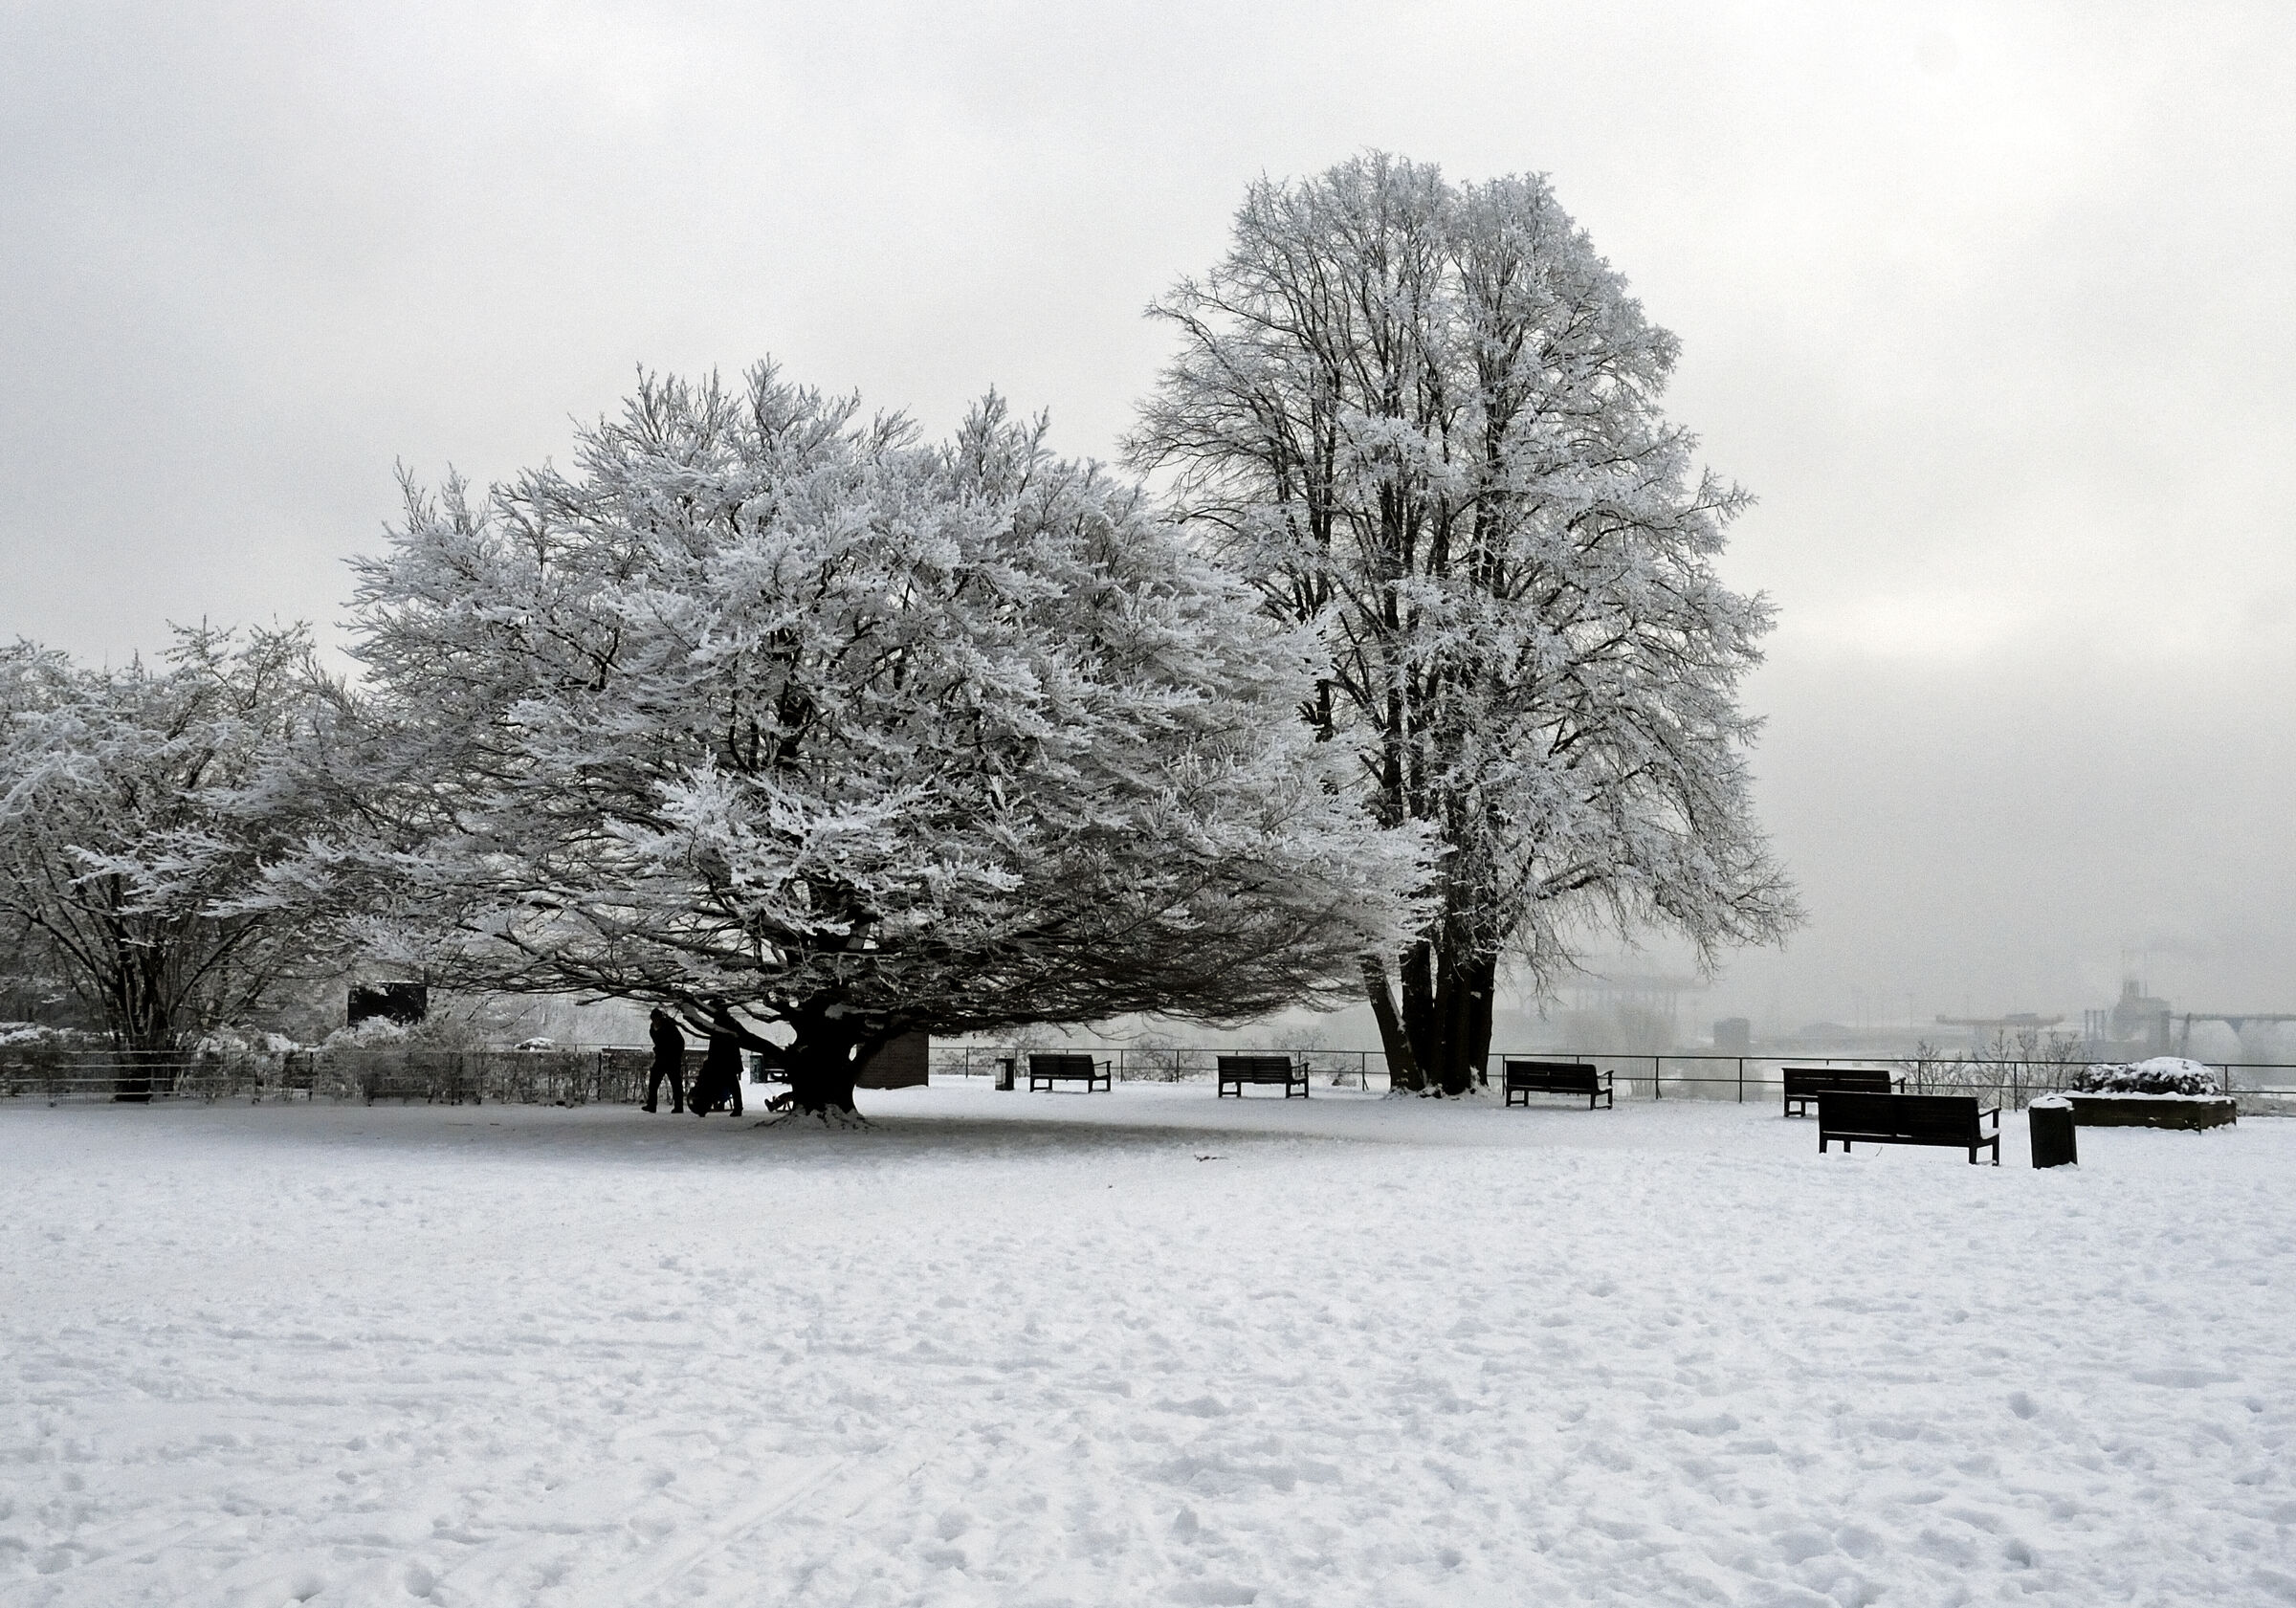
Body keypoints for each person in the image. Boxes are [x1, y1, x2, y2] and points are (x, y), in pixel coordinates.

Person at [691, 1032, 745, 1117]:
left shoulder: (717, 1032)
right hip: (728, 1063)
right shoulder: (729, 1033)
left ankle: (705, 1107)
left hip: (720, 1063)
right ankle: (736, 1107)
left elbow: (713, 1050)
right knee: (733, 1085)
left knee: (714, 1085)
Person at [644, 1008, 685, 1113]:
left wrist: (676, 1055)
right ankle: (652, 1105)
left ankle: (679, 1106)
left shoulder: (670, 1027)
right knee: (653, 1082)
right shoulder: (652, 1029)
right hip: (661, 1059)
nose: (655, 1021)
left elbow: (680, 1042)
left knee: (676, 1083)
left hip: (672, 1059)